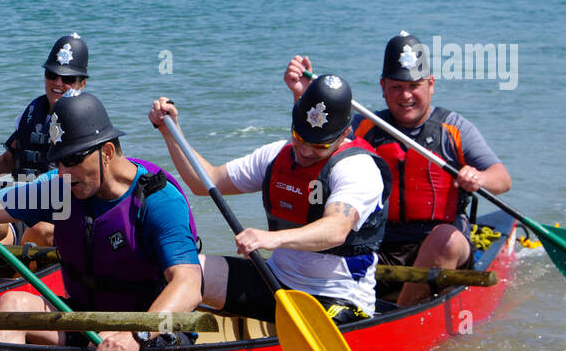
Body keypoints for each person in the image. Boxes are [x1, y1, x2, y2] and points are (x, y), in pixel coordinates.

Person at [0, 93, 203, 351]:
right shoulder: (62, 188)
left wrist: (135, 335)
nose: (63, 174)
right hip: (88, 323)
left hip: (151, 333)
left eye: (73, 160)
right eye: (59, 162)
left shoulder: (159, 200)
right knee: (12, 304)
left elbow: (189, 285)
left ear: (107, 152)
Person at [283, 32, 512, 305]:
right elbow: (313, 151)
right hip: (379, 244)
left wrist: (478, 177)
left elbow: (502, 179)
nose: (405, 96)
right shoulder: (364, 127)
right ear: (382, 87)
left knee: (445, 240)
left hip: (440, 245)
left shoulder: (454, 128)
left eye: (414, 85)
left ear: (431, 84)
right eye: (396, 87)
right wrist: (302, 97)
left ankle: (398, 314)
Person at [152, 73, 391, 325]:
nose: (307, 151)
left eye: (321, 146)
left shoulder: (358, 168)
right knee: (182, 271)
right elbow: (205, 181)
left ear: (345, 134)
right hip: (274, 281)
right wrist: (170, 131)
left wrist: (270, 239)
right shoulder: (275, 157)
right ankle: (164, 340)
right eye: (300, 138)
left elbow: (336, 229)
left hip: (338, 299)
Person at [0, 33, 90, 247]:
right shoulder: (30, 114)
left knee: (42, 231)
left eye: (68, 79)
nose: (57, 83)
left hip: (58, 213)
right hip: (20, 205)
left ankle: (21, 277)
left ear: (82, 83)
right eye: (51, 74)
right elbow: (9, 160)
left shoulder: (88, 123)